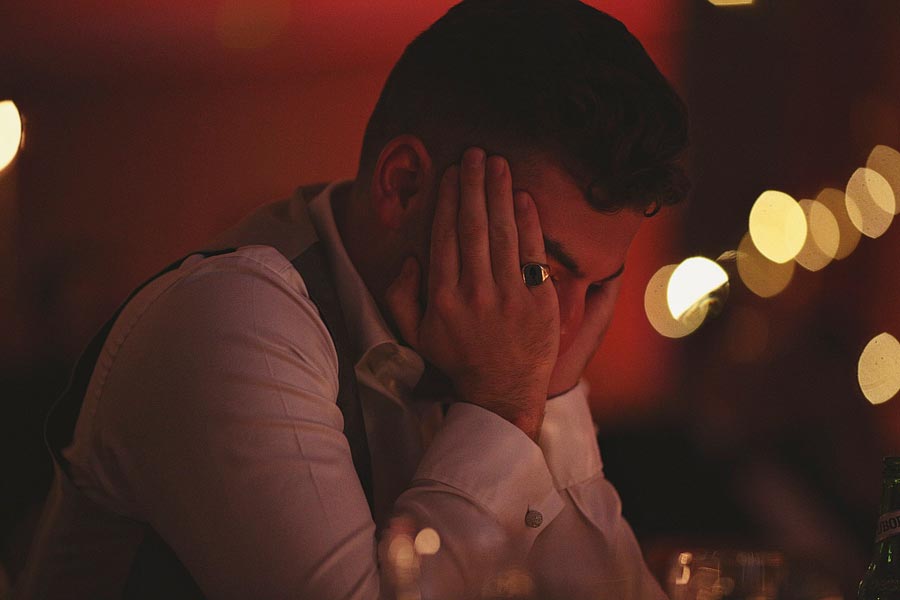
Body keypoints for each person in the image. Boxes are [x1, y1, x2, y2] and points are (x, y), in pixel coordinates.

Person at [17, 0, 688, 597]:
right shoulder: (227, 317)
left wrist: (551, 402)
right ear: (401, 186)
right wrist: (508, 409)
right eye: (541, 268)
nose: (561, 328)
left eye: (597, 286)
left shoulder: (494, 358)